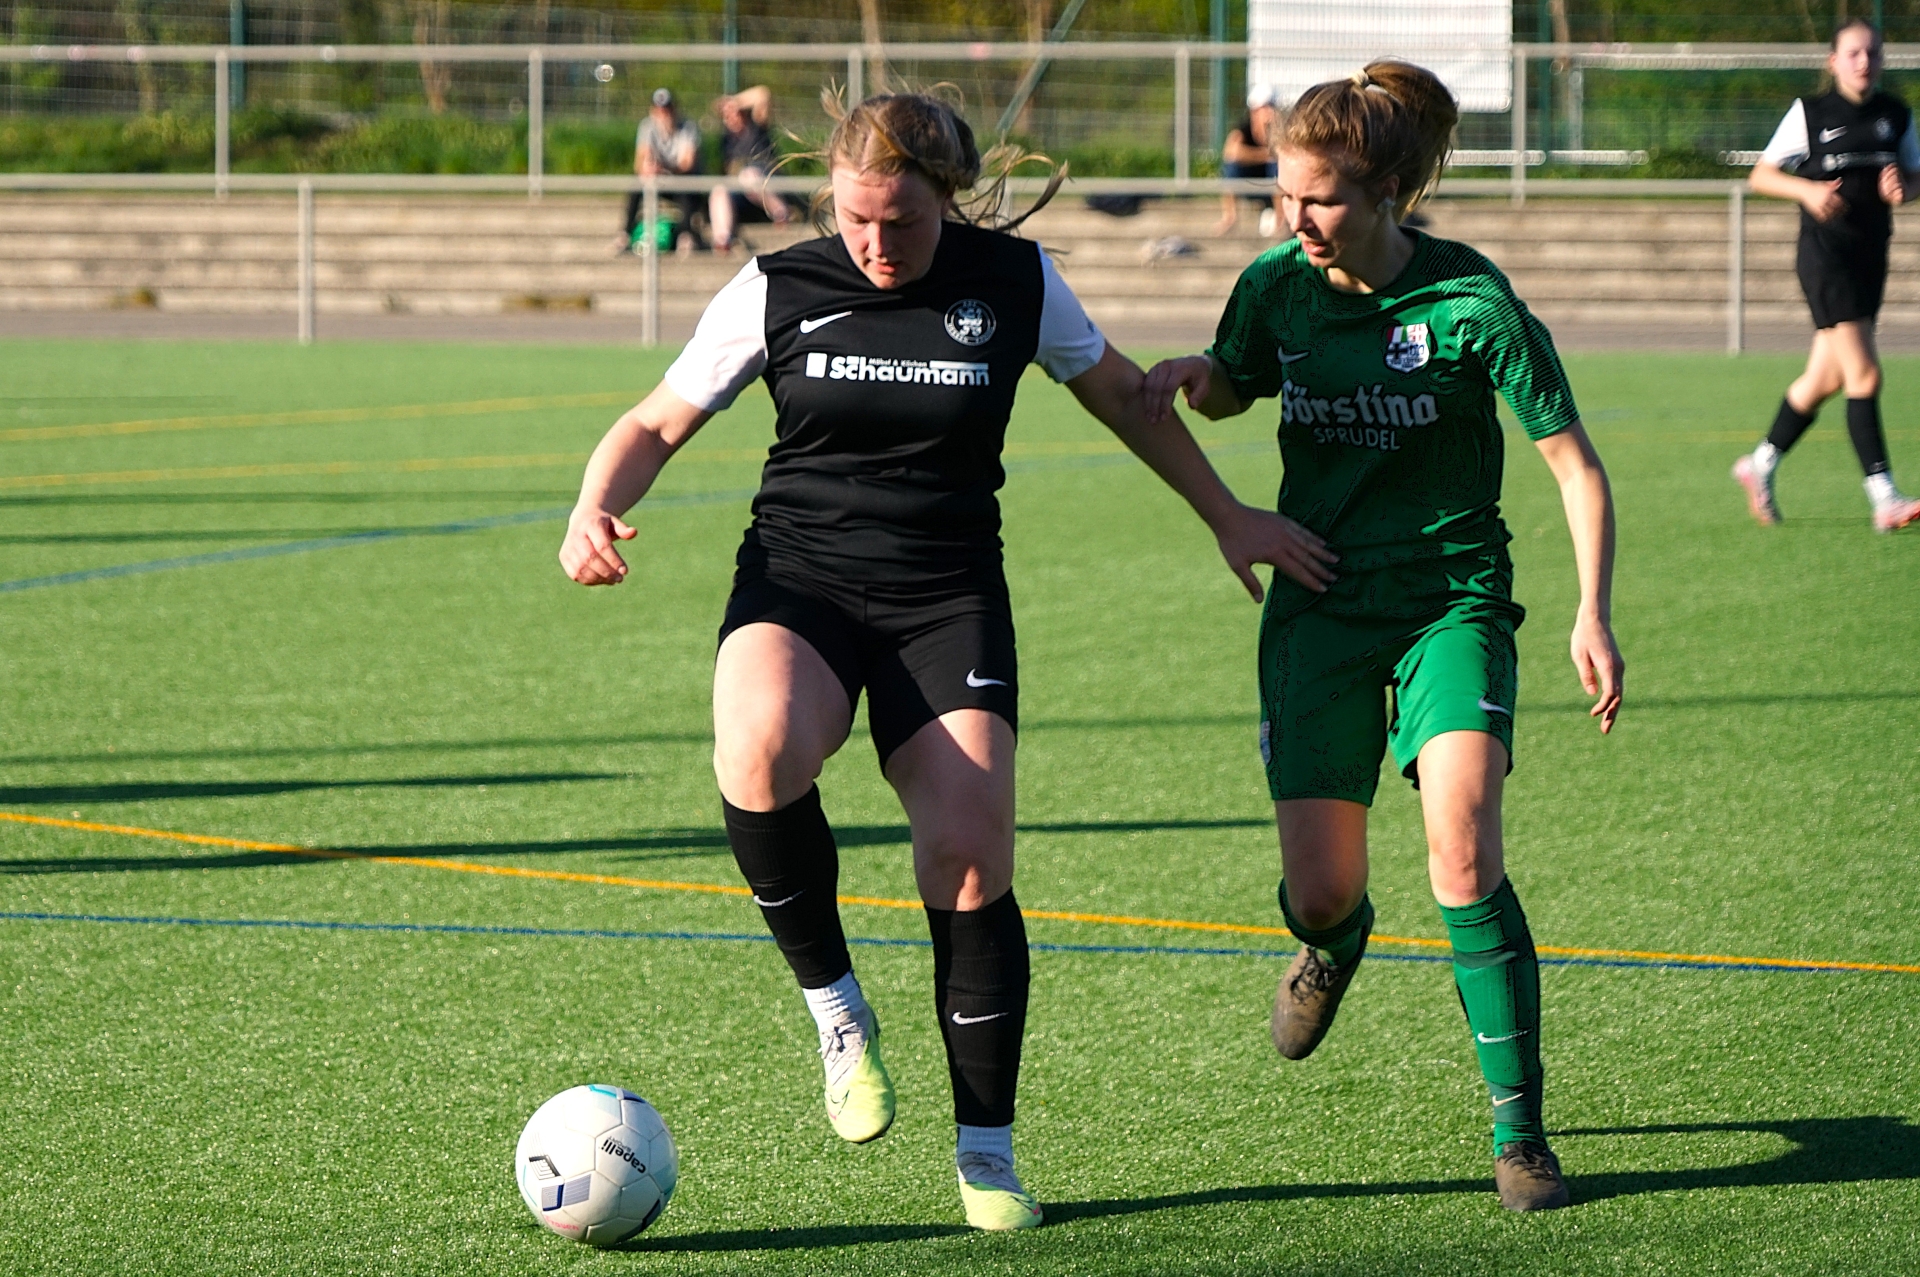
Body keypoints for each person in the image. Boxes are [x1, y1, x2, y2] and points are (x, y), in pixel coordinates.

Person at [560, 91, 1321, 1231]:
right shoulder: (775, 286)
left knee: (967, 860)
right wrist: (593, 504)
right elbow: (656, 422)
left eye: (903, 222)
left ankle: (987, 1153)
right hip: (801, 579)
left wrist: (1228, 514)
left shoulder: (1015, 282)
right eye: (856, 218)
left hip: (946, 598)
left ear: (948, 200)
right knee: (758, 750)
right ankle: (837, 1009)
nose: (876, 243)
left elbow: (1125, 398)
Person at [1144, 60, 1624, 1214]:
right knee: (1320, 891)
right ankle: (1335, 940)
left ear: (1391, 194)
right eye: (1283, 194)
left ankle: (1521, 1133)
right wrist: (1199, 375)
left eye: (1320, 200)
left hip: (1449, 601)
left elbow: (1575, 465)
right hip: (1319, 606)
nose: (1295, 218)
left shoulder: (1472, 303)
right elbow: (1239, 381)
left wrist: (1591, 609)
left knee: (1462, 847)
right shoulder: (1275, 286)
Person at [1735, 19, 1920, 532]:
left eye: (1873, 53)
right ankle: (1884, 497)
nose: (1865, 62)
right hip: (1825, 258)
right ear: (1833, 61)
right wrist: (1808, 190)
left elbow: (1915, 177)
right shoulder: (1811, 113)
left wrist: (1903, 189)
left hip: (1870, 257)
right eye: (1854, 53)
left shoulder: (1896, 115)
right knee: (1865, 375)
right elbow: (1762, 174)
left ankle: (1759, 464)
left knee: (1825, 379)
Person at [709, 85, 792, 254]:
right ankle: (723, 239)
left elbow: (763, 94)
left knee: (749, 176)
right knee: (719, 190)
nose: (731, 118)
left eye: (734, 113)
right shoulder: (727, 140)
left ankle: (781, 213)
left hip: (767, 185)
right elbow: (714, 106)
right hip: (742, 193)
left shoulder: (756, 127)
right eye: (727, 115)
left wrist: (735, 101)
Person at [623, 87, 705, 254]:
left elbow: (687, 164)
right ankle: (625, 233)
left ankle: (686, 235)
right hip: (660, 179)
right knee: (637, 184)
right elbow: (640, 161)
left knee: (686, 186)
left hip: (683, 180)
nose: (664, 114)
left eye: (667, 109)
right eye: (660, 110)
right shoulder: (647, 126)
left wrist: (663, 168)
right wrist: (649, 168)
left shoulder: (688, 127)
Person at [1215, 83, 1281, 237]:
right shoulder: (1243, 129)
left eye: (1271, 106)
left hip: (1271, 180)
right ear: (1254, 111)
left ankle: (1281, 220)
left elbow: (1282, 154)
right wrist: (1264, 155)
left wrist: (1268, 134)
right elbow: (1231, 152)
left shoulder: (1279, 129)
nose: (1270, 111)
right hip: (1252, 179)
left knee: (1277, 167)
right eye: (1265, 107)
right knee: (1231, 168)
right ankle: (1230, 218)